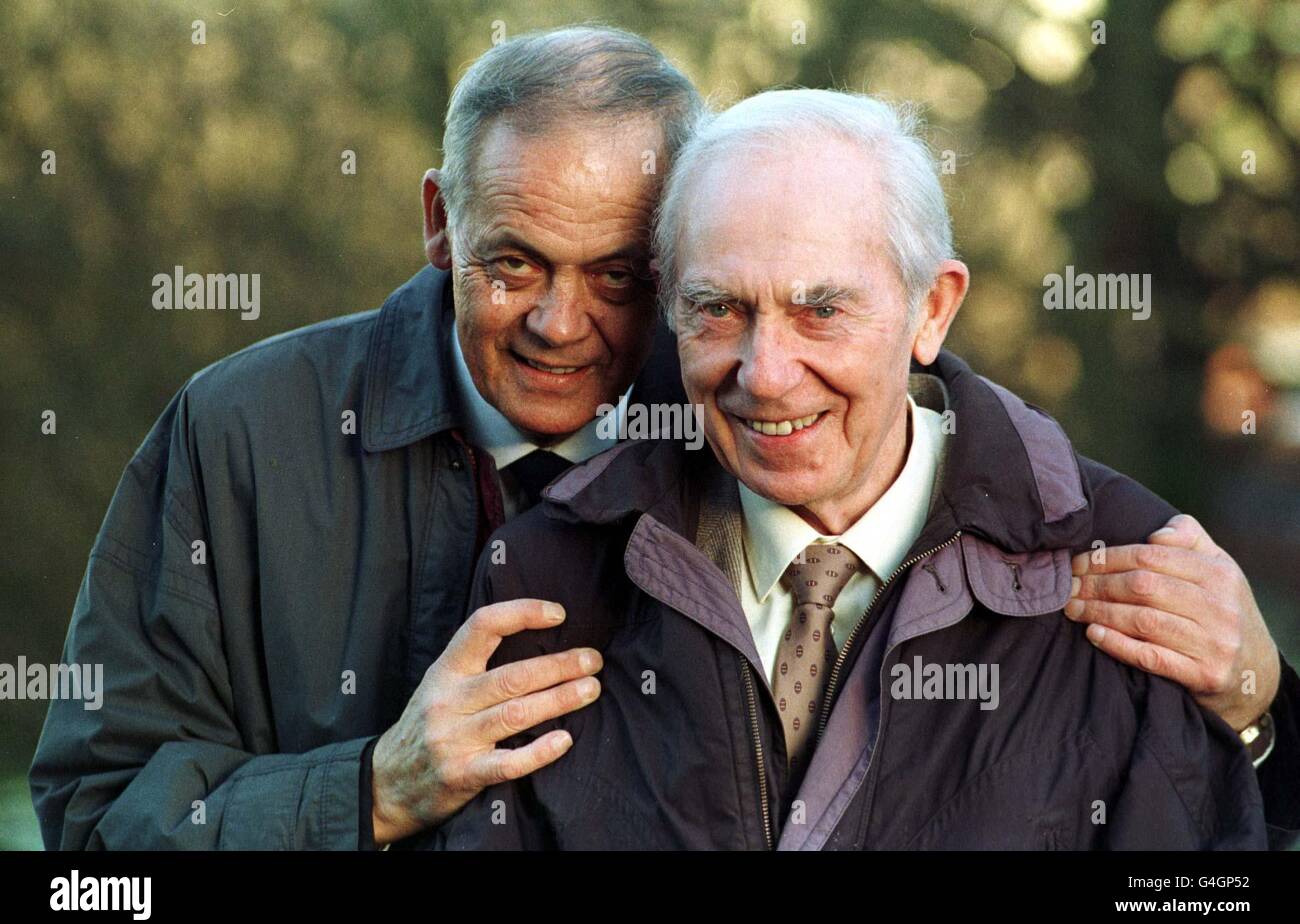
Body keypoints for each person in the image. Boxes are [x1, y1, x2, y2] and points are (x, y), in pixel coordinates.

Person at [29, 28, 1297, 851]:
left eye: (625, 273)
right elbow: (87, 856)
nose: (561, 325)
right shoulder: (242, 439)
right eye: (512, 262)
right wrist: (365, 791)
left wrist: (1268, 710)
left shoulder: (957, 488)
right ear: (437, 223)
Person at [427, 89, 1292, 849]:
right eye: (719, 309)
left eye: (821, 310)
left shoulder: (1129, 572)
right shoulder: (551, 575)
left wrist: (1266, 709)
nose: (765, 374)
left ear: (932, 310)